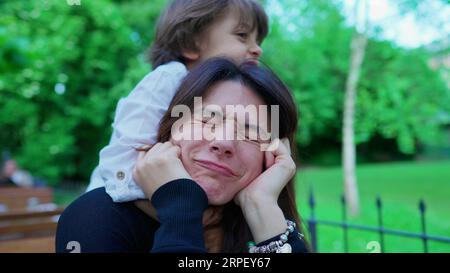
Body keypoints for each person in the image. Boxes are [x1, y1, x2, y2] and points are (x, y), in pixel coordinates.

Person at [56, 58, 309, 253]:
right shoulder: (96, 218)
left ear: (272, 155)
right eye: (207, 119)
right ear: (172, 128)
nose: (223, 142)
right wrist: (181, 207)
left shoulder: (263, 224)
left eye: (251, 133)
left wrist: (262, 206)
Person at [89, 0, 268, 203]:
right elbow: (123, 161)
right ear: (190, 44)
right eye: (242, 36)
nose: (257, 49)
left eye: (258, 41)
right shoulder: (167, 78)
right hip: (115, 204)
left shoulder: (232, 96)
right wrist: (179, 212)